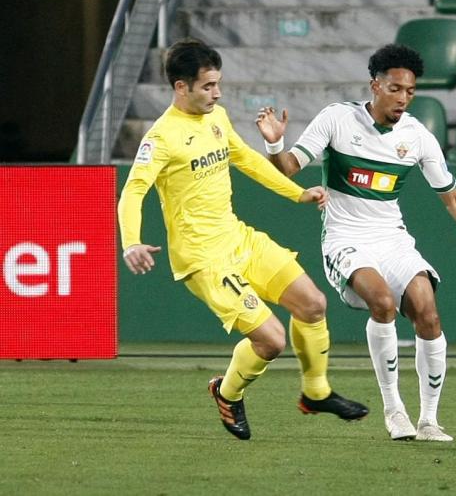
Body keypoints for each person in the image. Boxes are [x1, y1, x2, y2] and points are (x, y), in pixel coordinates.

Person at [255, 43, 456, 441]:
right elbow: (288, 168)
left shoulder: (417, 137)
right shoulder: (337, 119)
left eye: (410, 91)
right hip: (344, 239)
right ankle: (395, 411)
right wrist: (275, 144)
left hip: (391, 238)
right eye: (395, 89)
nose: (403, 98)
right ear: (374, 85)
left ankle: (428, 420)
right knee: (383, 303)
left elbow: (453, 199)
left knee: (427, 311)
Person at [117, 39, 368, 441]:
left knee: (313, 304)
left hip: (239, 238)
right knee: (271, 341)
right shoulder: (161, 138)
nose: (216, 93)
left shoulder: (217, 118)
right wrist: (132, 241)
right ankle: (226, 392)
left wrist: (297, 192)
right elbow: (133, 191)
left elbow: (247, 160)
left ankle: (316, 392)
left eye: (218, 84)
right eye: (207, 86)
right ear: (180, 87)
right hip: (204, 260)